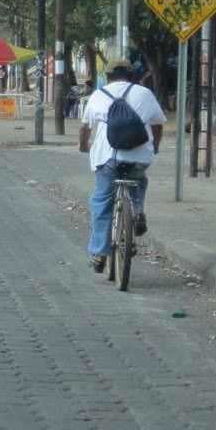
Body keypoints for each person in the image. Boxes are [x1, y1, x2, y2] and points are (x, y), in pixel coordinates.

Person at [77, 56, 166, 273]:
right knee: (139, 179)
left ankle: (99, 255)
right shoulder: (144, 93)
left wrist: (83, 146)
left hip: (107, 158)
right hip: (139, 155)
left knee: (101, 200)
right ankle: (136, 209)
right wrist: (154, 146)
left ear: (106, 77)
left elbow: (85, 128)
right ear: (131, 76)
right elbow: (157, 125)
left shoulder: (98, 95)